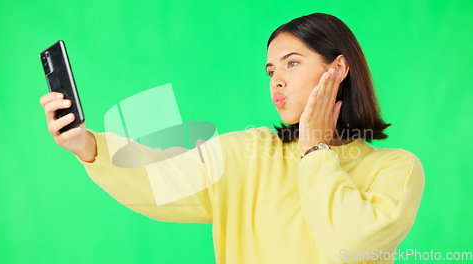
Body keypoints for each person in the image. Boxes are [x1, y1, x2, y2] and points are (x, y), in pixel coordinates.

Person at [39, 13, 425, 264]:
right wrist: (88, 146)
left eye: (293, 63)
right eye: (271, 69)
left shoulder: (393, 168)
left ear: (338, 68)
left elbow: (352, 248)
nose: (277, 80)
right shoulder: (247, 153)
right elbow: (160, 178)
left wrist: (316, 149)